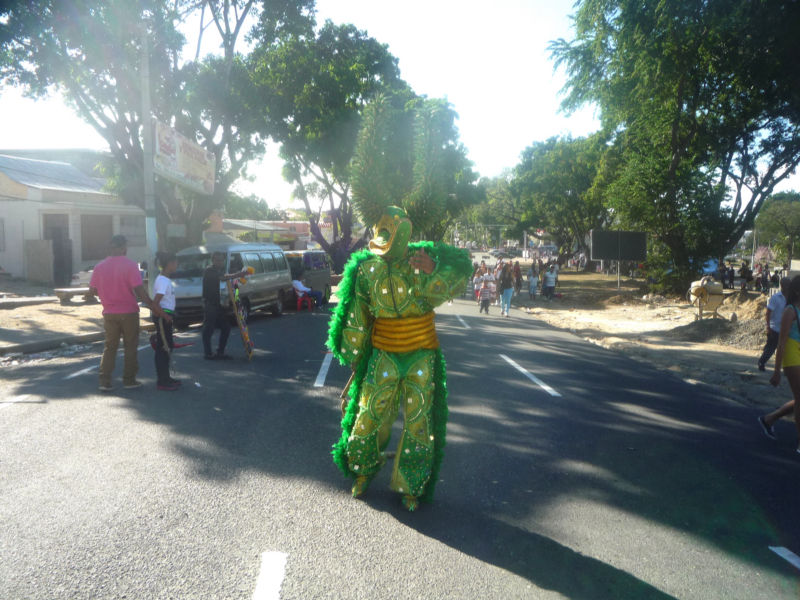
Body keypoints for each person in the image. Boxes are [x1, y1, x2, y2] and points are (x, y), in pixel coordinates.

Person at [328, 205, 472, 511]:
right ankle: (363, 471)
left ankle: (412, 485)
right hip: (383, 353)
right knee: (368, 414)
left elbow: (462, 269)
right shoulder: (367, 269)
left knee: (419, 422)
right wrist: (353, 353)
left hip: (421, 355)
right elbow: (357, 313)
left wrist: (436, 270)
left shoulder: (420, 260)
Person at [89, 235, 165, 391]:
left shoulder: (99, 266)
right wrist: (152, 305)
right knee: (130, 346)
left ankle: (104, 381)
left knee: (110, 347)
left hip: (109, 312)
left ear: (110, 248)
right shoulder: (130, 265)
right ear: (123, 247)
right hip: (129, 312)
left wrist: (108, 294)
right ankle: (129, 380)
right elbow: (139, 290)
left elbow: (93, 291)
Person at [767, 275, 800, 453]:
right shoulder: (790, 310)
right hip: (791, 353)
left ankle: (769, 419)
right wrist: (777, 371)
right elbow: (781, 342)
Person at [201, 252, 246, 360]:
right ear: (213, 260)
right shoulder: (209, 270)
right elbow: (222, 278)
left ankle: (220, 352)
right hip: (210, 304)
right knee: (208, 329)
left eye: (221, 260)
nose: (220, 262)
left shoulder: (218, 270)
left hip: (218, 304)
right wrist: (238, 274)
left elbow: (225, 280)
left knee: (226, 327)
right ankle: (208, 353)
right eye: (217, 260)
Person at [151, 251, 181, 391]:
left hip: (166, 316)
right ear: (169, 264)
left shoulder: (165, 279)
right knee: (164, 349)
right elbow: (155, 303)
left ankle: (166, 377)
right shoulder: (163, 280)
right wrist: (165, 316)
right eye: (175, 262)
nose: (177, 265)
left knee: (168, 347)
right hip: (163, 317)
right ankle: (162, 381)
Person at [759, 278, 790, 371]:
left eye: (789, 285)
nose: (788, 287)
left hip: (786, 328)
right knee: (771, 348)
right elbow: (768, 312)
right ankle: (762, 362)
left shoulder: (791, 299)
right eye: (786, 285)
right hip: (775, 327)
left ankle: (786, 368)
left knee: (786, 349)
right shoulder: (776, 298)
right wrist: (768, 327)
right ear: (782, 285)